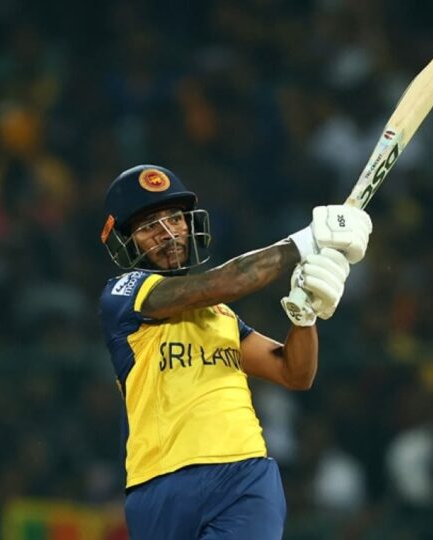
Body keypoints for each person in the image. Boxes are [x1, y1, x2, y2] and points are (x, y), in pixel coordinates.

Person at [98, 164, 372, 539]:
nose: (169, 234)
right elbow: (228, 281)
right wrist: (306, 241)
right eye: (149, 227)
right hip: (159, 482)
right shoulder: (123, 295)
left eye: (175, 219)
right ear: (126, 241)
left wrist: (306, 315)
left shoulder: (221, 315)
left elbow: (295, 372)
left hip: (244, 476)